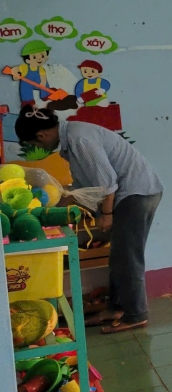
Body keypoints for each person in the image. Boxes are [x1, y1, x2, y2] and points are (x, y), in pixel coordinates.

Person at [16, 108, 163, 333]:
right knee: (119, 257)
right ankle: (116, 308)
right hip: (130, 194)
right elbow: (83, 188)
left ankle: (136, 314)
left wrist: (106, 214)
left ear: (41, 136)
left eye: (34, 145)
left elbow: (107, 182)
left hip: (136, 194)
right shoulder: (71, 140)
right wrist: (48, 206)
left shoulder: (79, 139)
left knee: (128, 256)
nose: (40, 149)